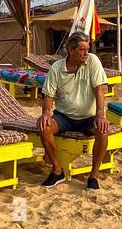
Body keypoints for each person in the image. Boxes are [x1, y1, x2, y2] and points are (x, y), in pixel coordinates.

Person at [37, 31, 112, 191]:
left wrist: (100, 115)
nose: (87, 53)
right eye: (82, 49)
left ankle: (94, 175)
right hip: (64, 117)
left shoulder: (93, 61)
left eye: (88, 49)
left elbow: (100, 91)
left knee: (103, 130)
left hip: (88, 117)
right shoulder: (57, 68)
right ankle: (57, 171)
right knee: (44, 127)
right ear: (71, 50)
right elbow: (49, 96)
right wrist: (45, 114)